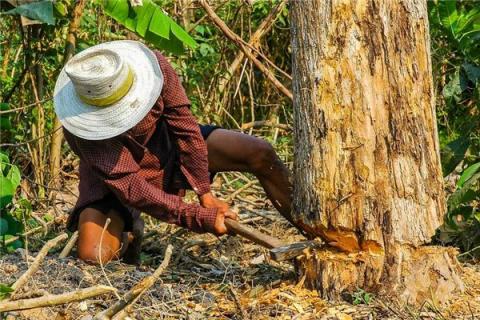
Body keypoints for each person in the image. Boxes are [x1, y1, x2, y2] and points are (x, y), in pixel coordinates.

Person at [54, 40, 292, 264]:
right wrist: (197, 216)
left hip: (169, 151)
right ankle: (129, 230)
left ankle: (315, 226)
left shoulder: (155, 69)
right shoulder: (80, 130)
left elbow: (187, 131)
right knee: (92, 255)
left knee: (259, 152)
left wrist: (205, 194)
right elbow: (129, 185)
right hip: (114, 186)